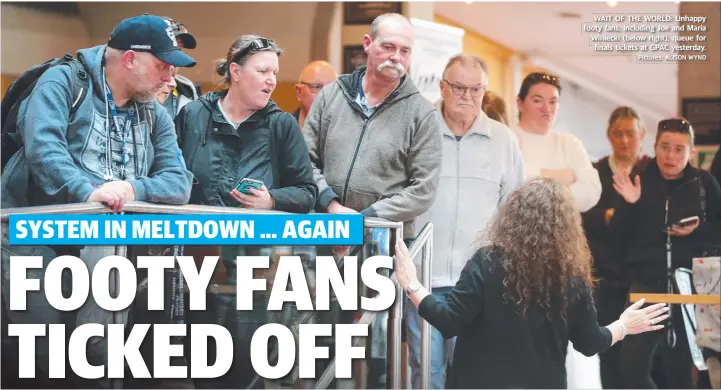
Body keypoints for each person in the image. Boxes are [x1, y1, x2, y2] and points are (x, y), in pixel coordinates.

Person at [0, 14, 195, 387]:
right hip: (32, 237)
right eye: (162, 66)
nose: (170, 79)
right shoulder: (62, 82)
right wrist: (90, 192)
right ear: (130, 59)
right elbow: (44, 151)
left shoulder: (153, 112)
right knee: (43, 354)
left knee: (98, 353)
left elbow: (178, 181)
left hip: (105, 248)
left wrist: (132, 189)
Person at [394, 177, 670, 389]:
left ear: (513, 215)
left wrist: (412, 285)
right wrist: (624, 326)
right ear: (567, 225)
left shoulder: (487, 262)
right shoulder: (571, 277)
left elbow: (449, 321)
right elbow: (589, 343)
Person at [174, 34, 317, 388]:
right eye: (263, 70)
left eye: (275, 72)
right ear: (235, 72)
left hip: (257, 265)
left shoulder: (281, 124)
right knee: (202, 360)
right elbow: (171, 177)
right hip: (199, 260)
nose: (272, 79)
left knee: (246, 361)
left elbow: (307, 192)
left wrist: (273, 201)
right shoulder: (193, 116)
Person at [406, 53, 525, 389]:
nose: (467, 97)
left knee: (471, 374)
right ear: (443, 87)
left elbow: (514, 215)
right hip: (422, 279)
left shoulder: (504, 141)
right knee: (426, 372)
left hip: (477, 284)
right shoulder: (417, 132)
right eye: (459, 88)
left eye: (476, 90)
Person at [302, 13, 443, 239]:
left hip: (384, 241)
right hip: (324, 230)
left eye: (404, 51)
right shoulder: (331, 95)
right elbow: (304, 160)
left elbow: (423, 190)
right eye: (388, 47)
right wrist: (331, 204)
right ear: (368, 44)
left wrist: (364, 219)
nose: (396, 57)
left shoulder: (422, 113)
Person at [611, 117, 721, 388]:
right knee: (632, 369)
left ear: (691, 153)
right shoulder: (638, 177)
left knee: (682, 371)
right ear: (655, 146)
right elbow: (616, 236)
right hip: (646, 287)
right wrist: (630, 204)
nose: (670, 156)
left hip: (689, 289)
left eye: (678, 149)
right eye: (665, 147)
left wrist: (698, 230)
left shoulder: (704, 183)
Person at [581, 106, 651, 389]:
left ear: (642, 135)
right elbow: (580, 215)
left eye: (630, 134)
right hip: (605, 278)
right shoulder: (594, 172)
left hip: (644, 278)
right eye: (618, 134)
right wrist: (606, 216)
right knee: (608, 351)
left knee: (643, 357)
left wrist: (619, 216)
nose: (624, 140)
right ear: (609, 136)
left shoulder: (653, 172)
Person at [513, 72, 602, 213]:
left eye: (553, 102)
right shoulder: (508, 138)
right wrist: (560, 177)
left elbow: (591, 192)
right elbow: (511, 185)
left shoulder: (570, 143)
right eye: (537, 101)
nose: (547, 109)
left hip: (561, 233)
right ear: (520, 103)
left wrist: (534, 180)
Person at [160, 16, 201, 119]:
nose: (174, 61)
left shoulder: (189, 90)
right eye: (168, 51)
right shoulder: (134, 91)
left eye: (178, 51)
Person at [294, 60, 338, 128]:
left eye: (332, 89)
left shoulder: (346, 133)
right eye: (317, 87)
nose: (326, 96)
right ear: (299, 92)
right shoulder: (282, 133)